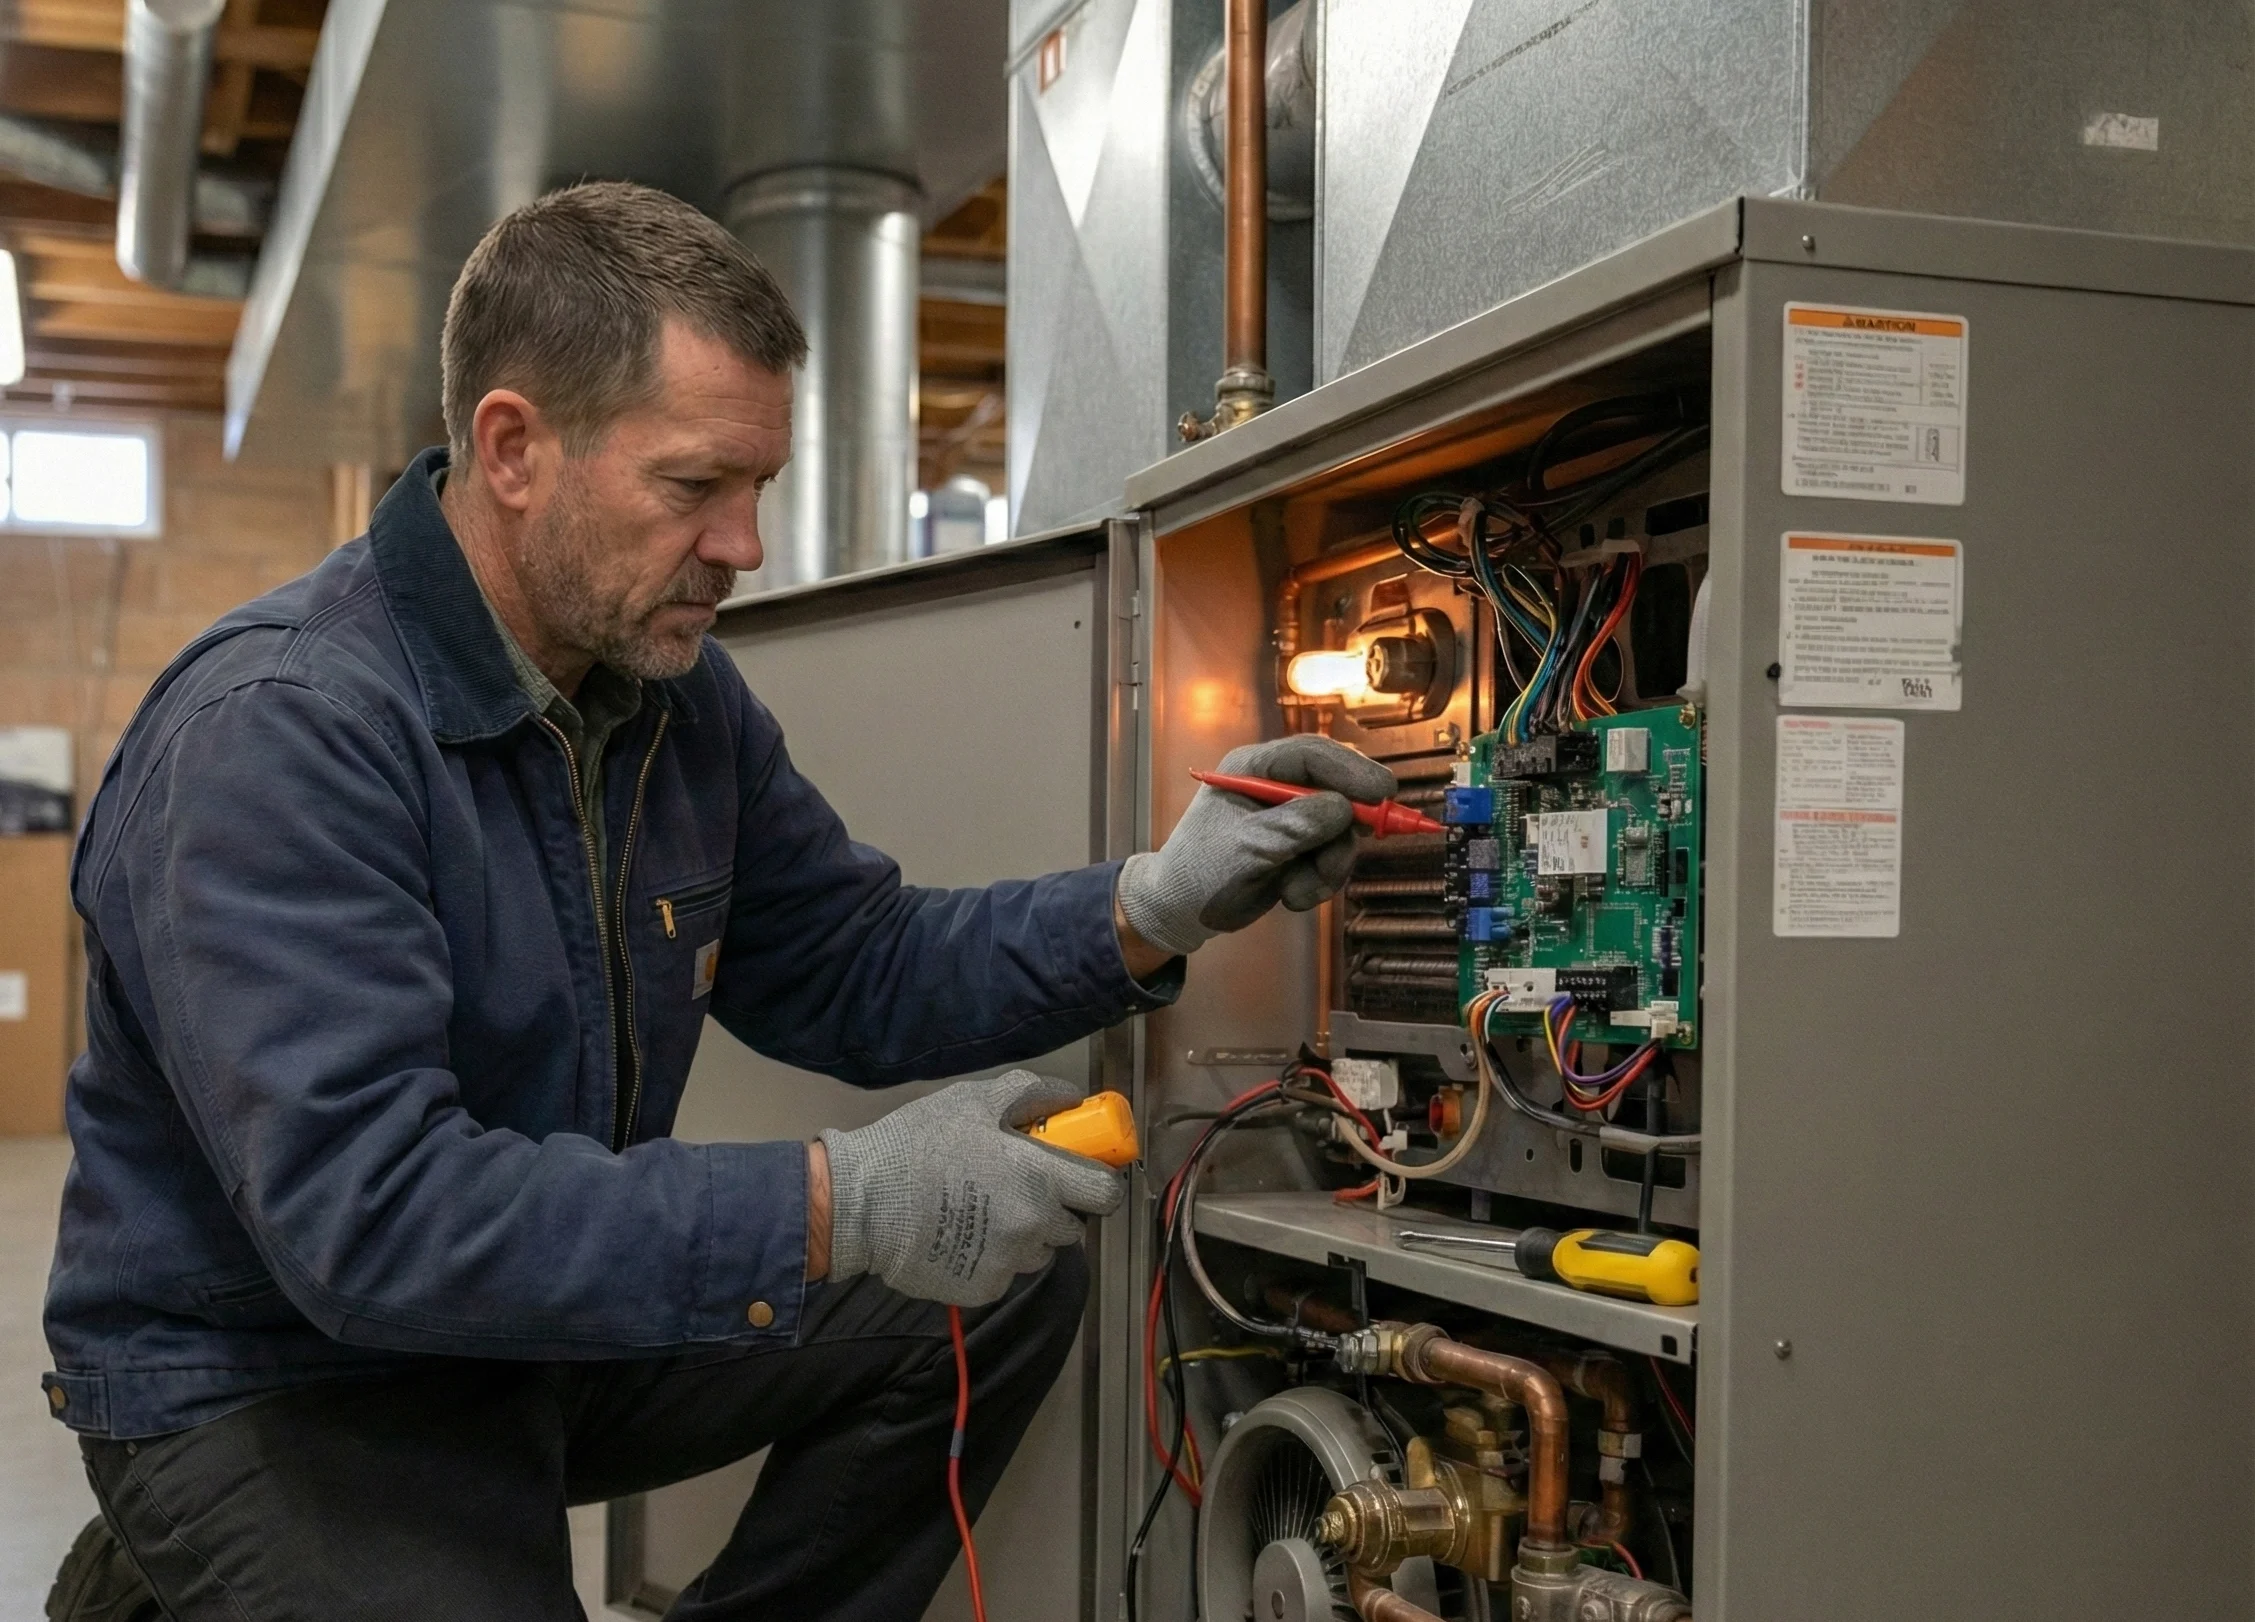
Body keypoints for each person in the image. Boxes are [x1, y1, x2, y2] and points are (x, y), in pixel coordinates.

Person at [40, 181, 1395, 1621]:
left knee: (990, 1291)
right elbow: (373, 1218)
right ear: (513, 447)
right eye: (694, 487)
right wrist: (832, 1201)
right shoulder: (280, 731)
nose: (744, 546)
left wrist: (1150, 904)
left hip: (515, 1324)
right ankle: (183, 1550)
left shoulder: (669, 701)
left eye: (759, 487)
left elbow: (853, 963)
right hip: (278, 1373)